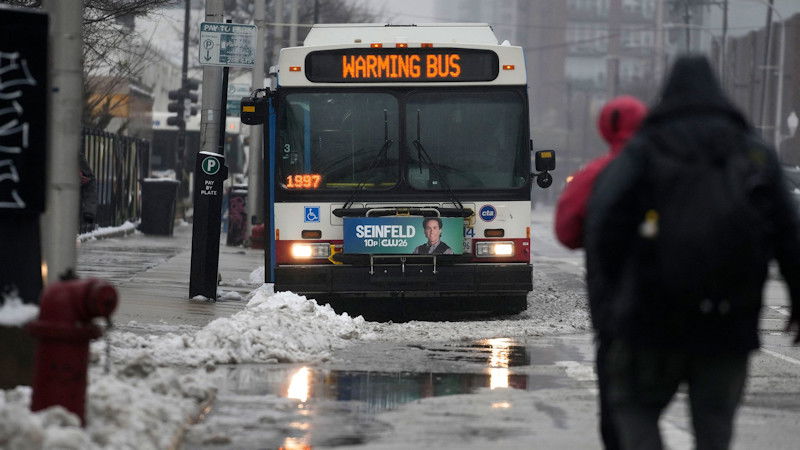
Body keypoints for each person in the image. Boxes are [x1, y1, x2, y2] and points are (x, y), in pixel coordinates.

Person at [585, 55, 800, 449]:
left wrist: (612, 309)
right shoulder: (753, 154)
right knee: (715, 427)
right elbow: (790, 233)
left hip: (650, 320)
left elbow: (603, 225)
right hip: (728, 321)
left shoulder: (644, 150)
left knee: (635, 410)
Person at [554, 95, 647, 450]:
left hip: (613, 313)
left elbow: (566, 232)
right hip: (671, 314)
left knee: (618, 407)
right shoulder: (672, 170)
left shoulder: (595, 174)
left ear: (604, 128)